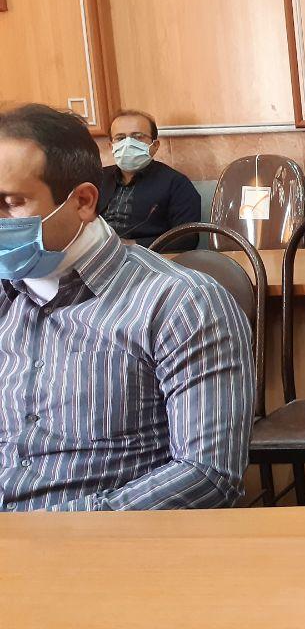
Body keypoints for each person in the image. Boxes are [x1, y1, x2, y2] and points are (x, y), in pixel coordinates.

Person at [0, 104, 253, 511]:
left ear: (83, 201)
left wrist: (52, 527)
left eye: (11, 203)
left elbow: (208, 475)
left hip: (103, 539)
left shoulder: (180, 303)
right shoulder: (8, 296)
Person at [97, 109, 201, 249]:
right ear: (111, 146)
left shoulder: (176, 184)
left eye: (137, 137)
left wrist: (133, 245)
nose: (128, 143)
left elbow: (187, 238)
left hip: (147, 256)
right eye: (120, 138)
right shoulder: (96, 179)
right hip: (95, 254)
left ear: (155, 145)